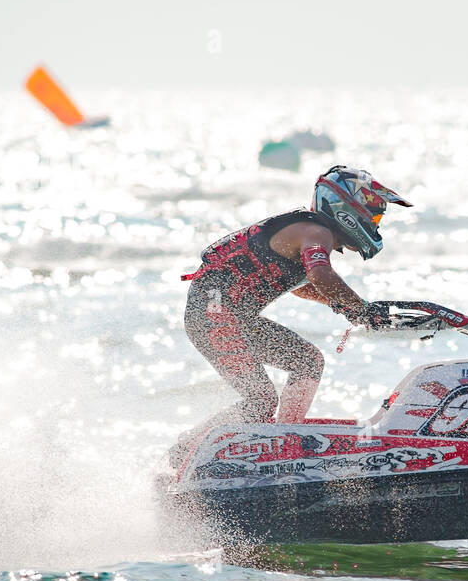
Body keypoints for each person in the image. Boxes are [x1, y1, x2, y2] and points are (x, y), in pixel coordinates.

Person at [172, 165, 411, 458]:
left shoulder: (310, 233)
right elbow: (321, 276)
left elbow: (300, 286)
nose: (375, 222)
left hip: (230, 317)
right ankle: (186, 451)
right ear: (347, 206)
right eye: (373, 213)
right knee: (260, 400)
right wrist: (360, 308)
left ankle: (284, 441)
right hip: (213, 315)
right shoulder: (316, 231)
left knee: (307, 362)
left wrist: (346, 307)